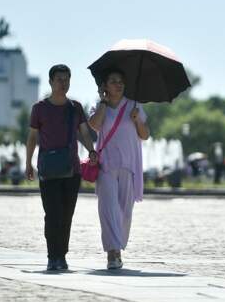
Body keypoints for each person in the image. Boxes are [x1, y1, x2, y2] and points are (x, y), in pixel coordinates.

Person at [25, 64, 98, 272]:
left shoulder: (75, 107)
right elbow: (31, 137)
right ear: (50, 82)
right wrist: (28, 162)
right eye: (59, 79)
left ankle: (62, 255)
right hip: (48, 170)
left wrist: (91, 151)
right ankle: (52, 256)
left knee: (67, 215)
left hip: (71, 170)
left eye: (66, 79)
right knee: (52, 214)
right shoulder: (39, 108)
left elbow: (84, 133)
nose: (63, 83)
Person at [88, 67, 150, 270]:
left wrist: (137, 120)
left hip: (128, 166)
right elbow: (95, 125)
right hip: (106, 165)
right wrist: (104, 103)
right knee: (108, 208)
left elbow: (145, 135)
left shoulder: (134, 105)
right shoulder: (98, 106)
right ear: (105, 86)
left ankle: (118, 244)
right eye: (113, 81)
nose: (119, 84)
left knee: (124, 211)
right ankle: (113, 253)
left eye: (121, 81)